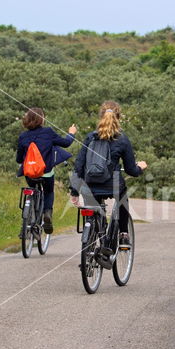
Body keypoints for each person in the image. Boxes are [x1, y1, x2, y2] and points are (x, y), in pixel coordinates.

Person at [70, 101, 147, 246]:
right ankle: (124, 234)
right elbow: (131, 170)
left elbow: (79, 166)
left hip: (90, 185)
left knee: (93, 210)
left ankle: (92, 243)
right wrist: (140, 168)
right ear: (118, 117)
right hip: (113, 184)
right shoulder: (122, 139)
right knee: (122, 199)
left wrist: (74, 191)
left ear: (101, 116)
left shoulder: (90, 137)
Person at [16, 107, 77, 234]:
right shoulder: (48, 132)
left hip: (30, 174)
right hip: (46, 172)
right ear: (42, 119)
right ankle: (47, 213)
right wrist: (71, 133)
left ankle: (29, 216)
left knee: (32, 188)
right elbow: (66, 143)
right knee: (48, 191)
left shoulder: (23, 136)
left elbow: (18, 159)